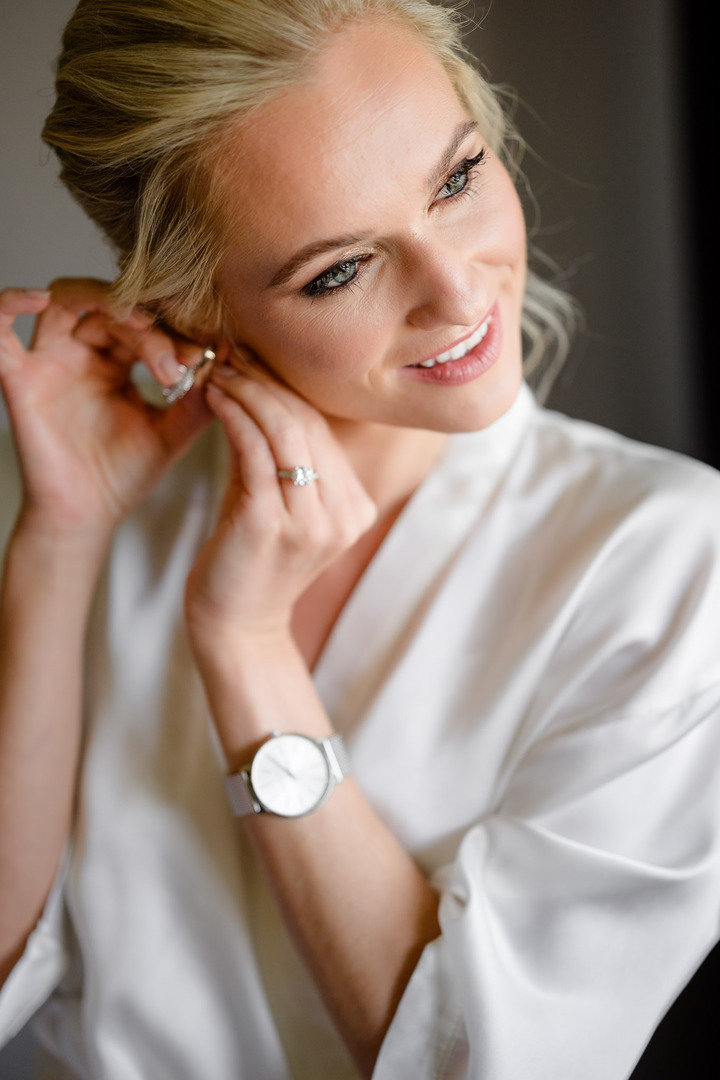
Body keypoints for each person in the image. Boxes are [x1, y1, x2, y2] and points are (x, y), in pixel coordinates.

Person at [1, 1, 719, 1077]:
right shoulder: (117, 511)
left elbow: (486, 1066)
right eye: (340, 269)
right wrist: (58, 543)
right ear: (196, 311)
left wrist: (244, 646)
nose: (458, 289)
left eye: (459, 177)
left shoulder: (669, 563)